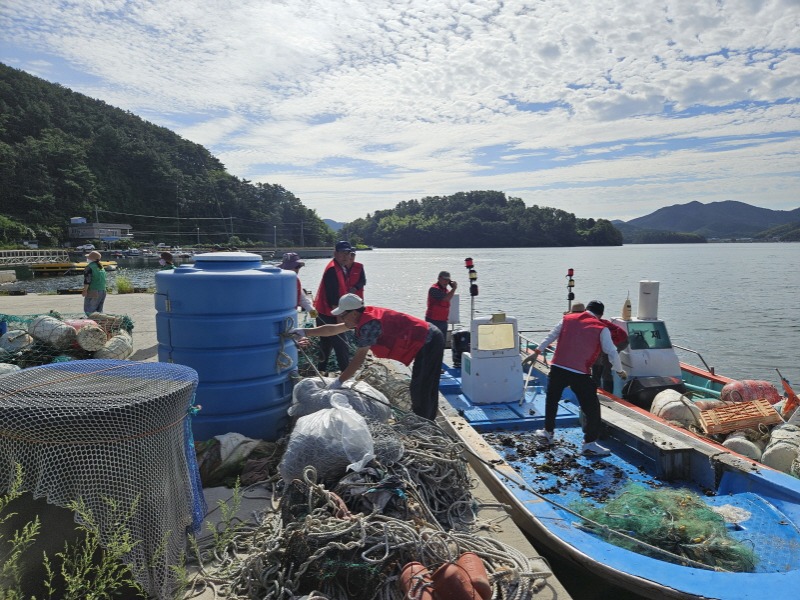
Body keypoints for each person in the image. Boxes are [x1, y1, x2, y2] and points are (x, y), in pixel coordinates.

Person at [294, 293, 444, 420]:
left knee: (422, 386)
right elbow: (332, 330)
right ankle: (427, 417)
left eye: (342, 315)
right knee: (423, 384)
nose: (340, 319)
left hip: (429, 339)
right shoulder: (360, 317)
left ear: (353, 313)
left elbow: (359, 358)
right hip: (426, 338)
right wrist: (305, 332)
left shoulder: (369, 324)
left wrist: (339, 381)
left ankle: (424, 422)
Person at [524, 300, 627, 456]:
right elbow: (611, 351)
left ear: (586, 309)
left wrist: (537, 352)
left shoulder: (567, 319)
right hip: (580, 373)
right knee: (592, 408)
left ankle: (548, 433)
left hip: (558, 367)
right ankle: (589, 444)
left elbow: (551, 336)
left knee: (552, 401)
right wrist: (619, 370)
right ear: (601, 314)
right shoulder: (602, 328)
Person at [313, 241, 366, 372]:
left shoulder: (340, 267)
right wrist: (340, 317)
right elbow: (332, 295)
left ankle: (321, 371)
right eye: (342, 253)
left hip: (327, 312)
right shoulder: (332, 269)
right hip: (329, 313)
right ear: (335, 253)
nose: (346, 256)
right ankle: (345, 376)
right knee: (341, 345)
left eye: (347, 253)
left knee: (326, 345)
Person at [592, 318, 629, 393]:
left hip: (620, 340)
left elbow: (611, 353)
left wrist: (620, 371)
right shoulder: (589, 320)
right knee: (598, 361)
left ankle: (607, 392)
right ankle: (596, 385)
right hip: (612, 338)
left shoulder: (593, 325)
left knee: (606, 365)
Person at [278, 252, 316, 316]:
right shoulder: (275, 280)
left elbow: (303, 299)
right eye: (297, 266)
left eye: (299, 267)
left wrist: (314, 314)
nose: (298, 269)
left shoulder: (295, 280)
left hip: (290, 316)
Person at [425, 271, 457, 337]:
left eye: (448, 280)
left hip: (443, 321)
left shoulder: (446, 291)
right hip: (433, 320)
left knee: (442, 343)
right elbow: (445, 299)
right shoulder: (434, 289)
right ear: (439, 278)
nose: (446, 282)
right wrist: (454, 288)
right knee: (433, 343)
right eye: (444, 279)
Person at [82, 250, 107, 315]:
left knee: (89, 311)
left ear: (91, 259)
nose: (87, 259)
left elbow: (87, 280)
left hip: (93, 291)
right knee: (99, 312)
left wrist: (85, 290)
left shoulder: (89, 267)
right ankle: (100, 324)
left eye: (88, 257)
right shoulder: (101, 267)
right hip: (103, 290)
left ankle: (91, 324)